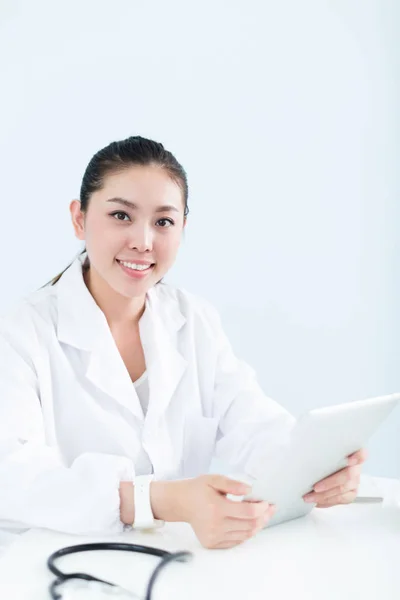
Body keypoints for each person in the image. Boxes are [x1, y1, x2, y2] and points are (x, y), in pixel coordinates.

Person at [0, 136, 366, 551]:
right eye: (121, 215)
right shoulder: (20, 332)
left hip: (172, 562)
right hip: (50, 565)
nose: (143, 241)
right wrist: (158, 500)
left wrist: (318, 470)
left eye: (163, 222)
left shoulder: (193, 321)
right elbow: (11, 477)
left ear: (182, 228)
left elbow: (253, 423)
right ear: (79, 219)